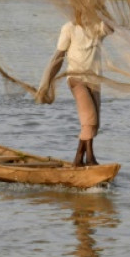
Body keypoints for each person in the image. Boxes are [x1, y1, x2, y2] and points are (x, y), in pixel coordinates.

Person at [37, 9, 113, 167]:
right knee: (90, 118)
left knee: (94, 123)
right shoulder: (69, 28)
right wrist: (47, 82)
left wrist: (101, 9)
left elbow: (111, 27)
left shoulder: (98, 27)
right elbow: (58, 58)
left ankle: (78, 159)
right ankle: (89, 158)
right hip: (75, 79)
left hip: (94, 80)